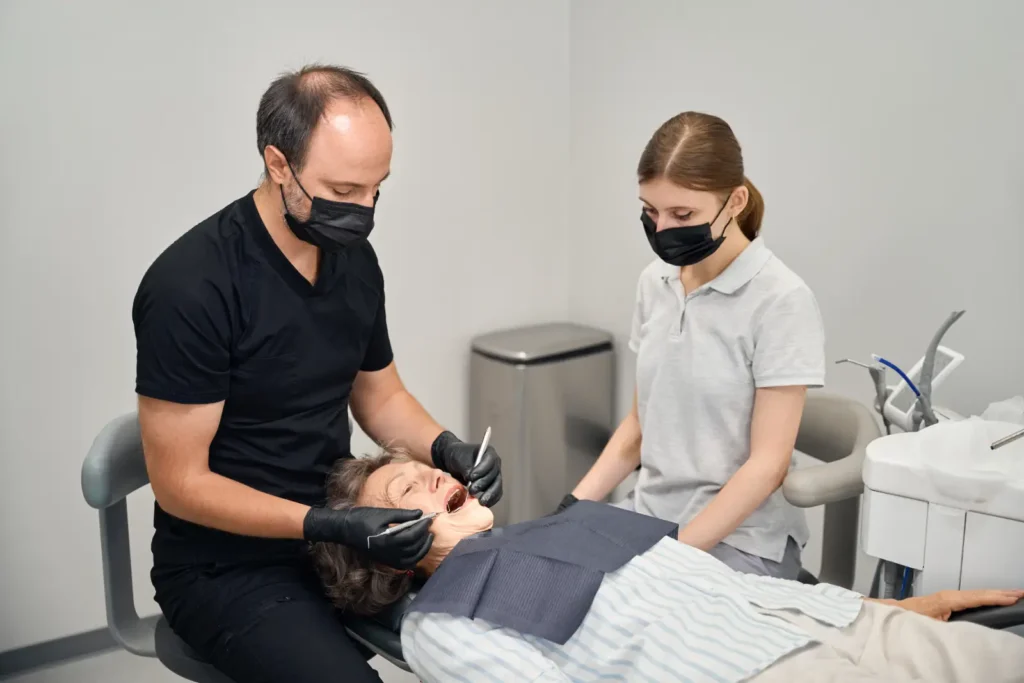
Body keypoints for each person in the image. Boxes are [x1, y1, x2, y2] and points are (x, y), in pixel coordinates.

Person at [132, 64, 503, 683]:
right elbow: (180, 485)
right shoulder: (192, 286)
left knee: (504, 638)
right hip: (226, 566)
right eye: (344, 190)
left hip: (338, 536)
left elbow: (379, 394)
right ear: (279, 164)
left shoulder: (352, 261)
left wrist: (445, 446)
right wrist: (324, 522)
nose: (364, 213)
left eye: (376, 189)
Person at [312, 452, 1024, 683]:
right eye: (408, 490)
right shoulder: (444, 623)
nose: (436, 477)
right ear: (385, 548)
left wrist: (891, 611)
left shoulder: (571, 523)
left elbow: (736, 589)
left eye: (427, 468)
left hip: (841, 622)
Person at [563, 111, 827, 580]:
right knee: (549, 585)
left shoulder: (781, 300)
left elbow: (768, 467)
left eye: (682, 215)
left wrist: (675, 556)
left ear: (735, 201)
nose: (662, 229)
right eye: (650, 211)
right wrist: (571, 509)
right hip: (648, 517)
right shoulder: (655, 282)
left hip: (739, 538)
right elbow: (639, 427)